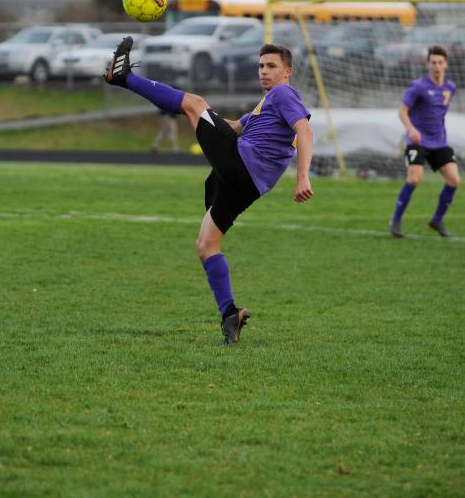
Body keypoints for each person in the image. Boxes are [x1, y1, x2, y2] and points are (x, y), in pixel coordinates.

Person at [105, 37, 313, 344]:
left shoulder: (283, 94)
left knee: (195, 103)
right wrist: (198, 116)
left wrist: (303, 177)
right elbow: (232, 127)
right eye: (260, 66)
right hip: (248, 184)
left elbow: (305, 130)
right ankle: (230, 314)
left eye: (272, 66)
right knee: (206, 245)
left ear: (287, 72)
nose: (264, 72)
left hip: (243, 166)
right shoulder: (266, 103)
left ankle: (122, 77)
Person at [390, 45, 460, 239]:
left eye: (440, 62)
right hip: (417, 141)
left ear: (445, 64)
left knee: (454, 180)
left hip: (439, 142)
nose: (436, 66)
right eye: (433, 62)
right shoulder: (418, 87)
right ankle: (395, 221)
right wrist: (411, 129)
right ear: (427, 64)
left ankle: (437, 219)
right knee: (414, 179)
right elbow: (402, 111)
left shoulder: (450, 88)